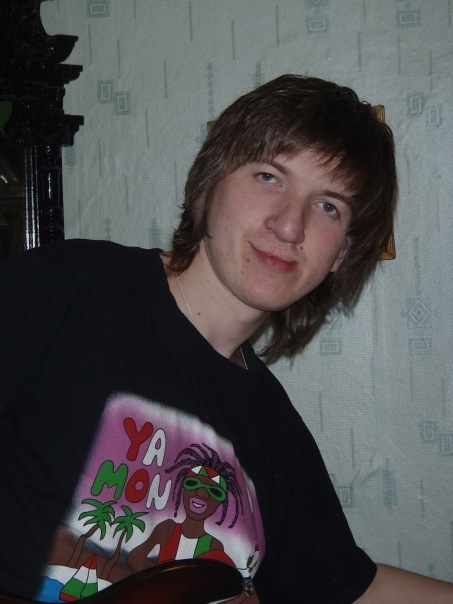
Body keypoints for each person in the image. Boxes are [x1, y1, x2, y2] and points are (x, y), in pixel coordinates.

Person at [0, 74, 451, 603]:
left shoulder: (274, 429)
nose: (290, 226)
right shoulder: (68, 288)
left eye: (329, 206)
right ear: (210, 181)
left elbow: (348, 589)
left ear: (342, 254)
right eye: (268, 176)